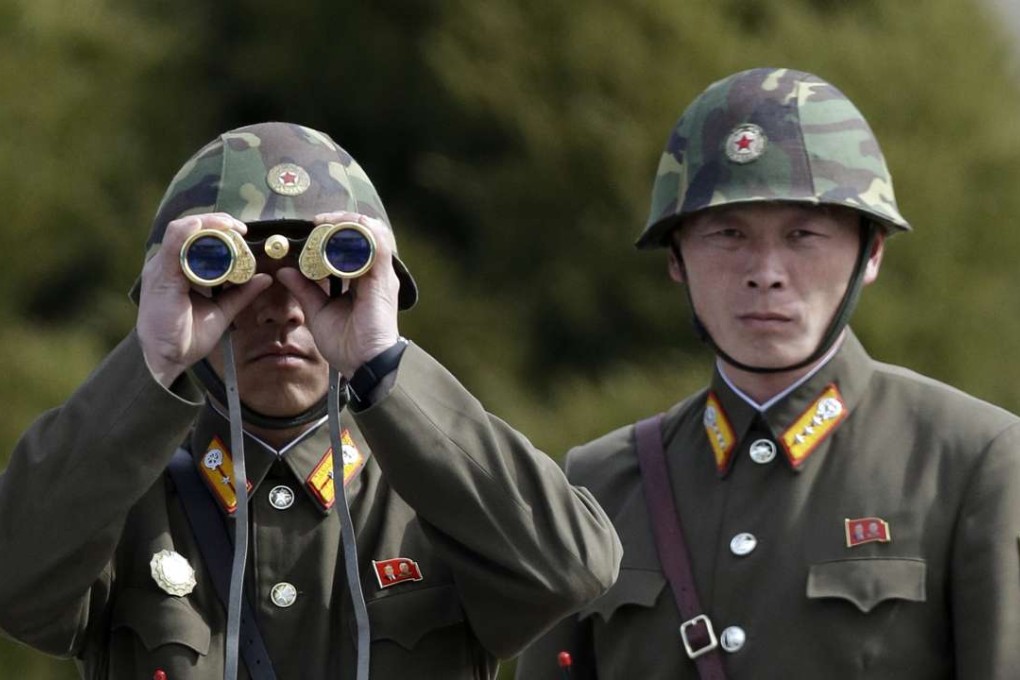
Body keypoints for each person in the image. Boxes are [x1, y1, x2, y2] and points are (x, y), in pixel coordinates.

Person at [0, 122, 622, 679]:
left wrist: (382, 358)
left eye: (326, 271)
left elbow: (573, 569)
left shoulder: (440, 504)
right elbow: (13, 581)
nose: (284, 309)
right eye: (235, 275)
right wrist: (154, 360)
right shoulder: (125, 506)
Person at [515, 67, 1020, 679]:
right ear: (677, 258)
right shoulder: (600, 484)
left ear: (871, 254)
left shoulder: (973, 462)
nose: (766, 271)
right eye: (728, 234)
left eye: (803, 235)